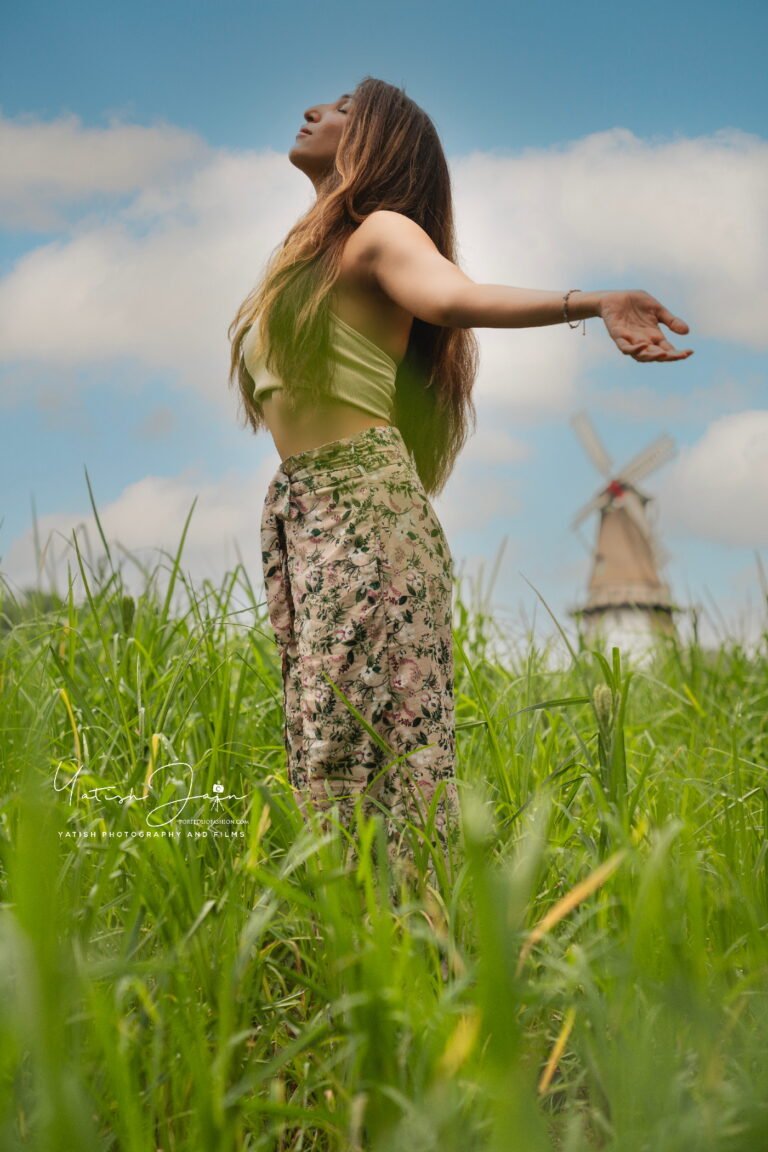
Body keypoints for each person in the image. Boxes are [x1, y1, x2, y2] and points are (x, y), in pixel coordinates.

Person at [227, 76, 692, 869]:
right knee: (324, 749)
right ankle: (351, 934)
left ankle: (411, 934)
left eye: (342, 109)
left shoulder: (381, 232)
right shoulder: (302, 259)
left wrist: (590, 302)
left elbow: (450, 296)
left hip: (363, 512)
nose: (313, 111)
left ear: (377, 140)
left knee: (370, 755)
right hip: (305, 513)